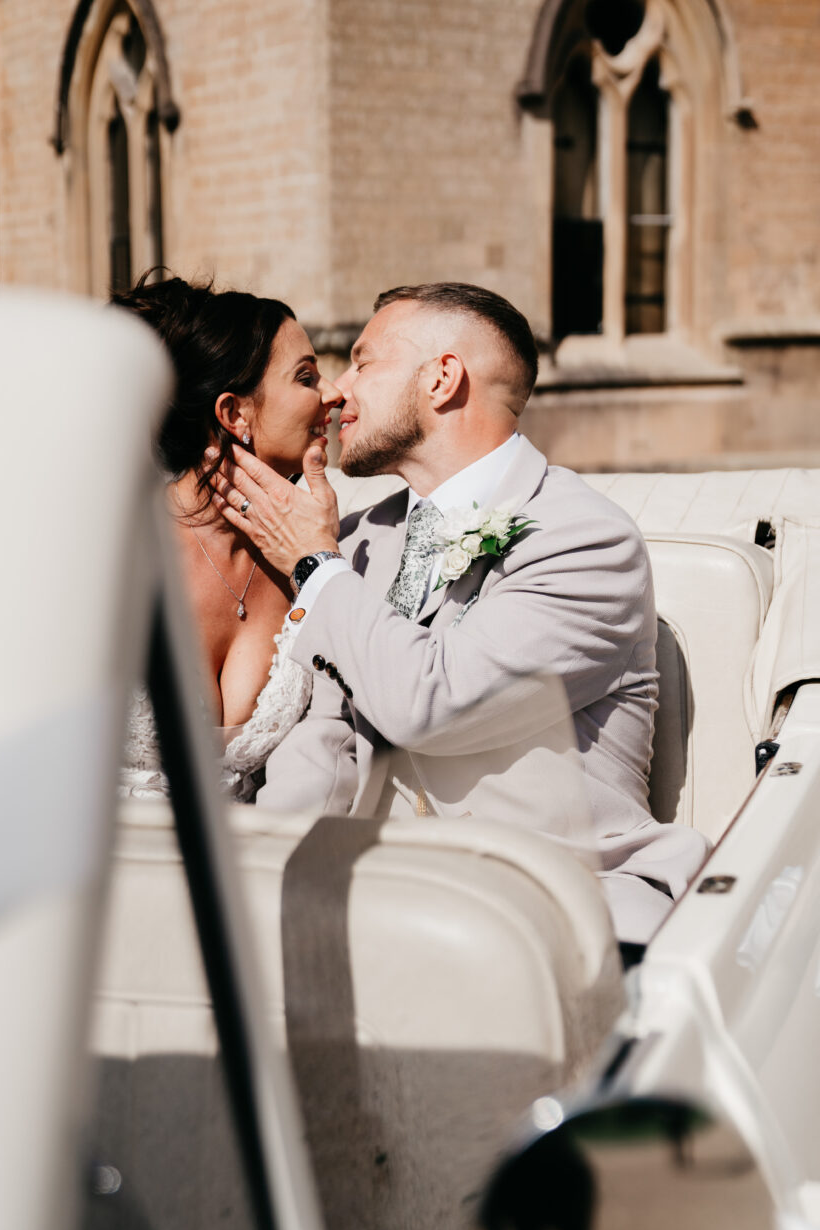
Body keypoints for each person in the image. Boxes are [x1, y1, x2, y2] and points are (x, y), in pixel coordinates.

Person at [210, 281, 709, 944]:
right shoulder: (355, 541)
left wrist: (314, 565)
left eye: (363, 362)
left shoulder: (585, 540)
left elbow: (433, 704)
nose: (338, 392)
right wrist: (250, 885)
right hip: (391, 908)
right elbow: (325, 743)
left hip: (563, 908)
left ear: (442, 379)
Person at [114, 272, 342, 801]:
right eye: (306, 377)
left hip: (259, 846)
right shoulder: (113, 548)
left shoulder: (311, 552)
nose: (333, 393)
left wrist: (321, 557)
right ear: (234, 413)